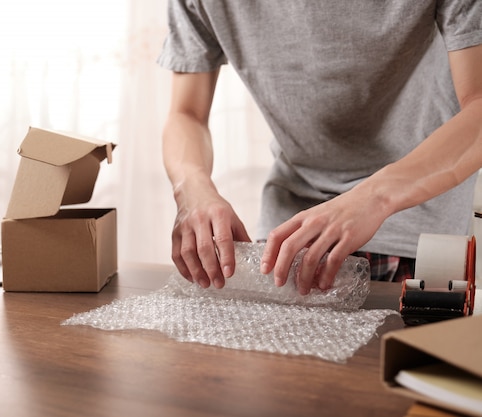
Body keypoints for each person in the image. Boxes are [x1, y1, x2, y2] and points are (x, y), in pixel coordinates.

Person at [157, 1, 482, 295]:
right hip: (290, 228)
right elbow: (187, 113)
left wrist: (375, 196)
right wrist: (191, 189)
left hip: (417, 225)